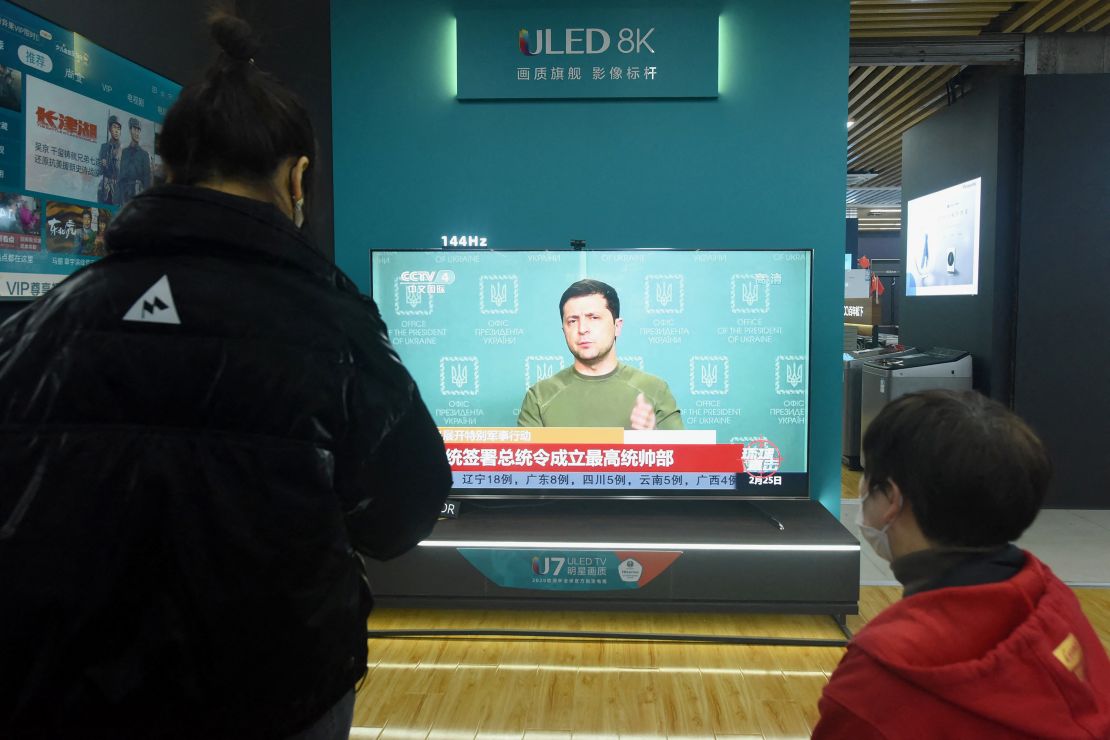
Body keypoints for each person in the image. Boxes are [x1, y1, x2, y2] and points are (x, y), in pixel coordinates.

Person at [0, 11, 451, 740]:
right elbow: (403, 513)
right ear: (298, 179)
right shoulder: (334, 328)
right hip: (274, 698)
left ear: (162, 169)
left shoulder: (41, 322)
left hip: (58, 697)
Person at [814, 390, 1110, 739]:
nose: (862, 489)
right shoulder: (1055, 601)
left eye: (868, 478)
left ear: (892, 499)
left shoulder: (882, 673)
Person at [518, 278, 682, 429]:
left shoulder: (655, 390)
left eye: (594, 318)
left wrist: (652, 439)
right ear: (564, 331)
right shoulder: (539, 396)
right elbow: (527, 459)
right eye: (572, 321)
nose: (582, 329)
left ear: (617, 326)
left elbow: (683, 458)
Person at [119, 116, 152, 204]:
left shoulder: (144, 155)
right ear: (130, 130)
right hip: (125, 196)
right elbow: (121, 178)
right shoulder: (125, 152)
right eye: (135, 129)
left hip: (138, 196)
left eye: (139, 130)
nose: (137, 133)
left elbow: (147, 180)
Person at [97, 115, 122, 205]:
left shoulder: (123, 150)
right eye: (114, 127)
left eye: (118, 128)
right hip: (105, 188)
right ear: (109, 129)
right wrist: (102, 164)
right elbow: (98, 171)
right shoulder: (104, 147)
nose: (116, 131)